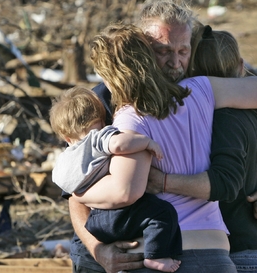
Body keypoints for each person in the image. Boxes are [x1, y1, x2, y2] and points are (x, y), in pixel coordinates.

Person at [68, 0, 257, 273]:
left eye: (183, 51)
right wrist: (98, 249)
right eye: (163, 51)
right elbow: (74, 188)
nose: (175, 62)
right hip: (124, 250)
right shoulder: (111, 103)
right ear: (142, 48)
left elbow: (230, 169)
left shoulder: (198, 93)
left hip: (204, 248)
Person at [147, 26, 257, 273]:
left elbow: (227, 181)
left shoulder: (220, 118)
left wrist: (162, 182)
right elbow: (248, 171)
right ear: (240, 66)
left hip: (239, 253)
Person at [50, 87, 182, 272]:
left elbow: (64, 186)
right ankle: (156, 256)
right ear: (100, 121)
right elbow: (119, 144)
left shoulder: (64, 159)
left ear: (66, 137)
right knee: (162, 213)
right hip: (117, 215)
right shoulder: (97, 137)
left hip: (94, 222)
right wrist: (146, 142)